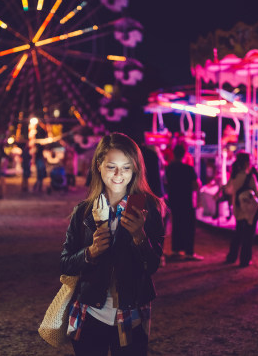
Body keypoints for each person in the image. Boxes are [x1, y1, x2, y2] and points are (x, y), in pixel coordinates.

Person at [60, 132, 165, 355]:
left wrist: (140, 237)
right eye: (111, 167)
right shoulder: (84, 211)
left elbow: (153, 266)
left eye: (126, 167)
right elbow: (66, 264)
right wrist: (90, 252)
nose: (119, 174)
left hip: (131, 312)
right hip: (89, 312)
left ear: (136, 168)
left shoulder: (148, 208)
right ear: (99, 165)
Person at [164, 144, 203, 260]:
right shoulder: (188, 168)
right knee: (189, 226)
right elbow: (196, 185)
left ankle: (176, 250)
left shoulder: (169, 168)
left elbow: (166, 183)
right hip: (187, 201)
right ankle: (189, 252)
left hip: (174, 200)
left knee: (177, 225)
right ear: (184, 154)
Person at [225, 152, 258, 267]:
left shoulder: (234, 176)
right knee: (249, 235)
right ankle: (245, 259)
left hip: (238, 208)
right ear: (247, 163)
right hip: (249, 209)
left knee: (238, 232)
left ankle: (232, 256)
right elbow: (257, 192)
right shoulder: (249, 177)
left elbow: (228, 190)